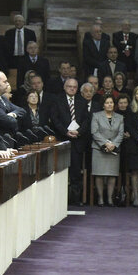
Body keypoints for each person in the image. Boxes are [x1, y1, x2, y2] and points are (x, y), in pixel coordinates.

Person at [50, 78, 89, 206]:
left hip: (77, 141)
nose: (72, 89)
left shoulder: (82, 101)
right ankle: (60, 200)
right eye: (69, 86)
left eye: (74, 87)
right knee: (61, 171)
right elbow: (55, 119)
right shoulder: (57, 100)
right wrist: (66, 131)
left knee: (75, 172)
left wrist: (79, 132)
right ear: (64, 87)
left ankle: (75, 199)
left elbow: (86, 120)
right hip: (63, 139)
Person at [91, 94, 125, 207]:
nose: (109, 104)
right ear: (103, 105)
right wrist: (106, 143)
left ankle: (110, 199)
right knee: (99, 174)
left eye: (111, 102)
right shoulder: (96, 116)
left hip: (114, 150)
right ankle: (100, 198)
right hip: (99, 148)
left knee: (112, 175)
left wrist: (113, 144)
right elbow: (94, 132)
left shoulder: (120, 117)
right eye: (107, 103)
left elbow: (121, 134)